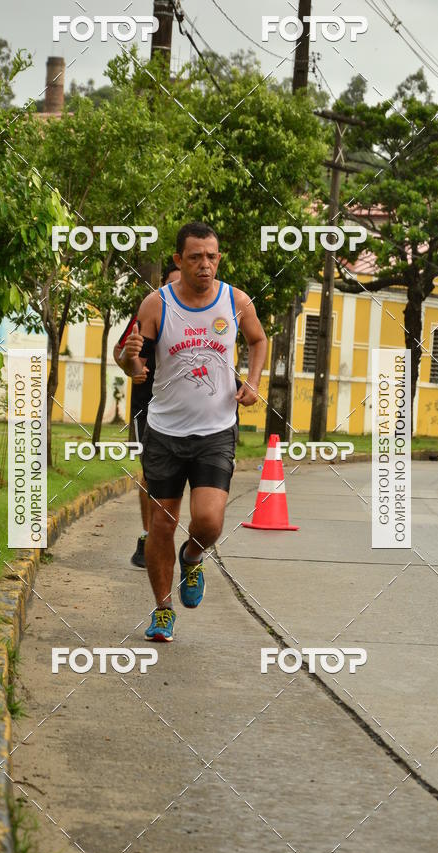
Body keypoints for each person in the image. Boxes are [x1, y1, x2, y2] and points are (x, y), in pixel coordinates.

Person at [122, 221, 267, 641]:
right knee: (162, 524)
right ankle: (163, 610)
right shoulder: (156, 304)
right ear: (178, 260)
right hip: (164, 430)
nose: (205, 265)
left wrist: (253, 382)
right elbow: (135, 370)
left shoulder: (235, 301)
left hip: (216, 429)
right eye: (195, 257)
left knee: (208, 521)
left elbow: (259, 340)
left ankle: (193, 555)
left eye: (212, 257)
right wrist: (131, 360)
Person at [114, 261, 180, 567]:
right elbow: (120, 351)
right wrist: (133, 367)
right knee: (151, 473)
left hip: (186, 410)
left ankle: (168, 536)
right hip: (148, 406)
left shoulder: (205, 314)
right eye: (172, 284)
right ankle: (147, 536)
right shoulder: (148, 312)